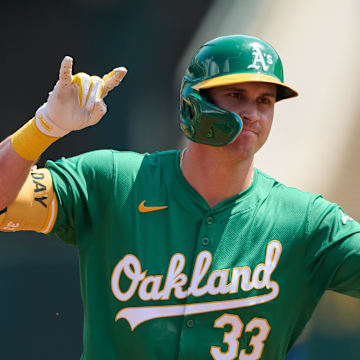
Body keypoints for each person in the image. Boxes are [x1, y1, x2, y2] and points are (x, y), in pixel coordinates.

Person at [0, 34, 359, 360]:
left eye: (264, 100)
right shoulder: (114, 181)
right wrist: (45, 126)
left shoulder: (305, 221)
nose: (252, 113)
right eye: (236, 96)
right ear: (194, 102)